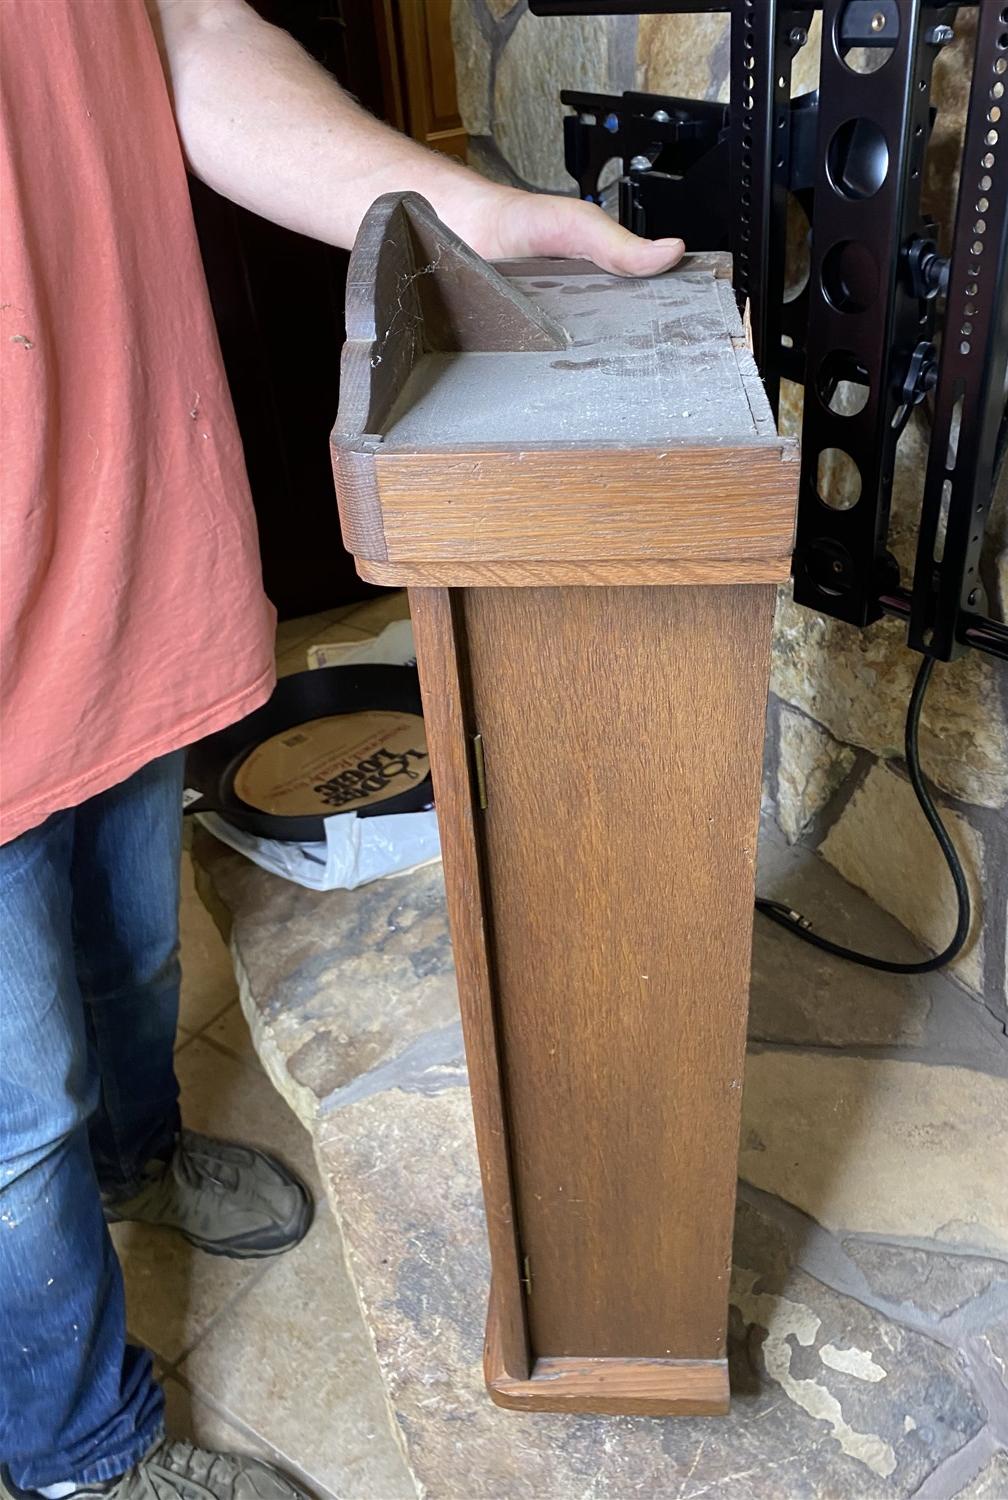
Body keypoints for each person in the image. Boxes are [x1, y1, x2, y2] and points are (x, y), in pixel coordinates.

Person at [0, 2, 684, 1496]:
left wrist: (476, 211)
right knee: (9, 1116)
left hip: (117, 554)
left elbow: (182, 36)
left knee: (128, 952)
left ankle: (141, 1156)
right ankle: (75, 1455)